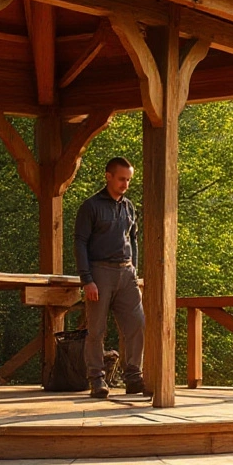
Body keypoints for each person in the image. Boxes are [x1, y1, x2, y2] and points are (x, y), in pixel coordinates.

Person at [74, 157, 147, 399]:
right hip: (99, 272)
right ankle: (97, 380)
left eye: (128, 179)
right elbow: (80, 242)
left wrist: (134, 268)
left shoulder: (129, 207)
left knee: (137, 324)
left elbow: (133, 238)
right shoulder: (91, 206)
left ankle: (134, 377)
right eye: (121, 179)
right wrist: (87, 279)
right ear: (108, 176)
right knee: (96, 329)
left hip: (126, 273)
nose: (126, 184)